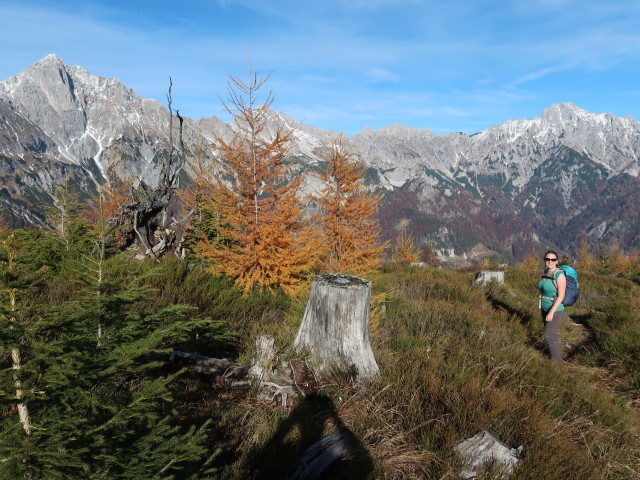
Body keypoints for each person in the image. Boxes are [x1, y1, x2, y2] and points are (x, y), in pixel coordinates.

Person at [538, 250, 566, 363]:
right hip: (545, 307)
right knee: (551, 334)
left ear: (557, 261)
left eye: (553, 260)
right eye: (547, 259)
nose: (550, 261)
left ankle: (557, 363)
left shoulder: (559, 275)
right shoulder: (546, 272)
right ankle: (554, 355)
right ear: (544, 260)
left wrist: (551, 312)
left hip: (555, 309)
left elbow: (561, 296)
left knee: (548, 335)